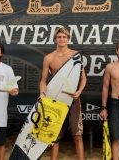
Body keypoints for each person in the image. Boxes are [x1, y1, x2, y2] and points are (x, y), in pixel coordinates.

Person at [39, 27, 87, 160]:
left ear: (68, 39)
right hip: (55, 100)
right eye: (59, 37)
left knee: (77, 135)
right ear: (55, 39)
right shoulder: (49, 58)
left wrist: (79, 91)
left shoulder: (76, 55)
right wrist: (42, 94)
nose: (62, 39)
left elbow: (83, 78)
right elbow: (43, 81)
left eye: (64, 37)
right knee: (54, 135)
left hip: (73, 99)